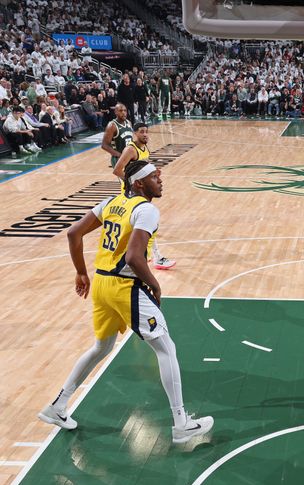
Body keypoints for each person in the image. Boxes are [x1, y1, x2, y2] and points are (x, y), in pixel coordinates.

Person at [38, 160, 213, 444]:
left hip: (102, 285)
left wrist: (81, 271)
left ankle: (57, 406)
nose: (161, 180)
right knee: (166, 348)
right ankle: (181, 423)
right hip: (124, 286)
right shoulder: (146, 210)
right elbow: (133, 257)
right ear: (140, 183)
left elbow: (73, 233)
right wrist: (155, 283)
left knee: (101, 347)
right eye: (156, 177)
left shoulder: (111, 202)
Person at [112, 123, 177, 270]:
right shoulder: (130, 150)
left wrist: (152, 172)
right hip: (132, 192)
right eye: (142, 132)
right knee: (148, 223)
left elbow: (142, 166)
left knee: (142, 224)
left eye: (146, 132)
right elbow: (117, 170)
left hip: (140, 189)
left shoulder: (144, 147)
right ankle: (157, 258)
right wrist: (133, 182)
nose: (145, 134)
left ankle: (143, 255)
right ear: (135, 134)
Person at [101, 103, 132, 168]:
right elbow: (104, 145)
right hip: (118, 159)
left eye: (125, 110)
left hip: (129, 157)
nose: (123, 112)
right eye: (120, 111)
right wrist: (120, 155)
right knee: (129, 178)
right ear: (116, 112)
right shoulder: (112, 125)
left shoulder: (128, 122)